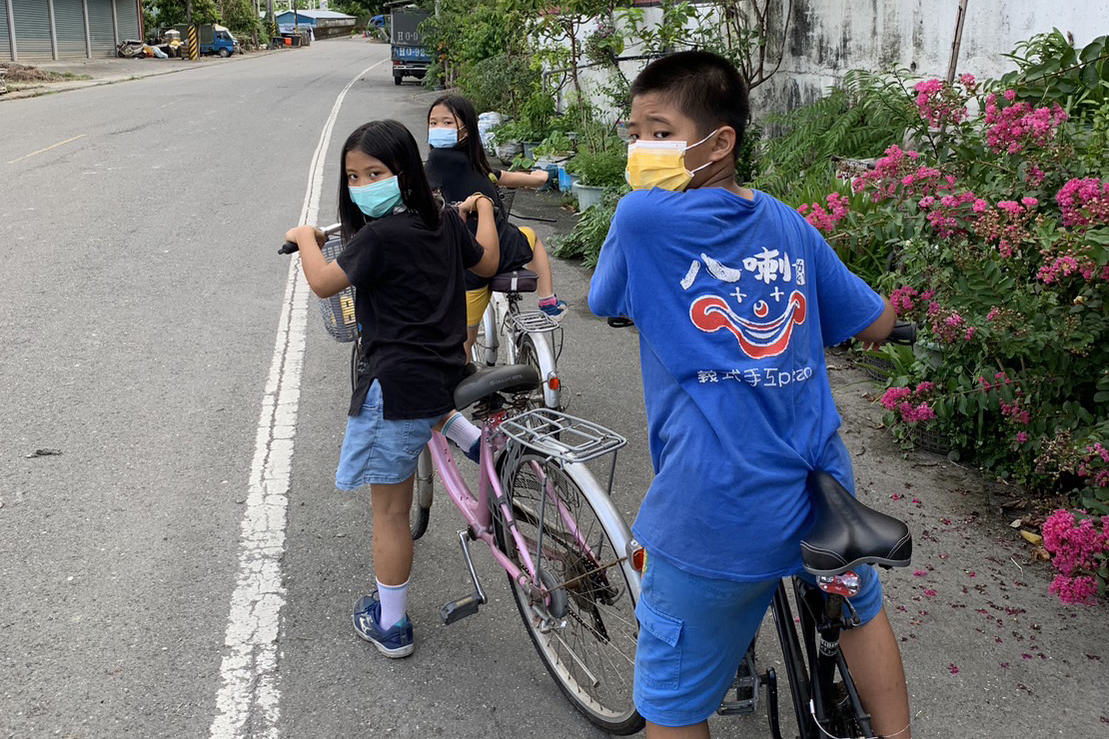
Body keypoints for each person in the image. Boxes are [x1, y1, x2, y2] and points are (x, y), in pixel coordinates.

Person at [588, 51, 912, 739]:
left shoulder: (643, 220)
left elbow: (603, 298)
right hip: (821, 494)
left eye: (658, 130)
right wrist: (889, 327)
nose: (640, 149)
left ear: (720, 140)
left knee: (672, 703)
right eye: (634, 132)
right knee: (858, 608)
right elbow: (875, 320)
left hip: (715, 511)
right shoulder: (789, 225)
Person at [284, 120, 501, 659]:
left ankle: (393, 625)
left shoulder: (378, 238)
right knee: (427, 407)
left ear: (403, 172)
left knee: (389, 513)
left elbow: (322, 281)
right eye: (353, 177)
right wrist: (487, 213)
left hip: (397, 383)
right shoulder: (445, 223)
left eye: (374, 173)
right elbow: (489, 263)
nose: (362, 185)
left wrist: (306, 238)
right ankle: (478, 443)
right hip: (447, 368)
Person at [424, 94, 568, 356]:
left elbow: (417, 190)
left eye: (447, 123)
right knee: (531, 236)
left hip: (469, 263)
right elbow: (498, 176)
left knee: (462, 346)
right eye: (434, 123)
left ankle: (466, 389)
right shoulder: (474, 163)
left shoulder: (437, 162)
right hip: (504, 247)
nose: (438, 129)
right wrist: (536, 179)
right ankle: (547, 301)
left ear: (465, 130)